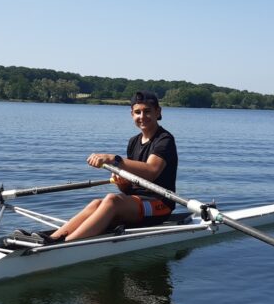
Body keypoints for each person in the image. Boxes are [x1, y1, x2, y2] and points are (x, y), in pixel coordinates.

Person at [28, 90, 178, 244]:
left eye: (147, 111)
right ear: (131, 114)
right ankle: (53, 238)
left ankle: (66, 244)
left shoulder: (164, 140)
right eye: (137, 112)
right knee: (96, 203)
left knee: (112, 200)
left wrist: (114, 159)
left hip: (161, 205)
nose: (142, 117)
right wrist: (123, 184)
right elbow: (130, 189)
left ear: (158, 112)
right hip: (138, 202)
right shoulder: (134, 141)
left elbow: (151, 171)